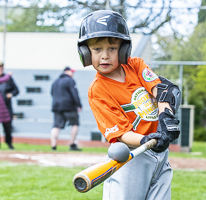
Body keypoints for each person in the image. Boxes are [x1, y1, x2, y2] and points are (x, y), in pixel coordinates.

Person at [77, 10, 181, 200]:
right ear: (85, 53)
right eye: (97, 49)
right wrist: (146, 140)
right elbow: (121, 134)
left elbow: (161, 91)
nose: (105, 56)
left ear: (124, 49)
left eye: (112, 48)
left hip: (159, 151)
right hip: (132, 156)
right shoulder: (98, 90)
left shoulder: (135, 65)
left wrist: (165, 118)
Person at [50, 66, 82, 151]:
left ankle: (53, 145)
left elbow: (52, 93)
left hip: (57, 106)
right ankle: (72, 144)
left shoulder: (56, 81)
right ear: (67, 71)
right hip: (69, 106)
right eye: (72, 72)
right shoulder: (70, 80)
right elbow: (74, 93)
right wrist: (79, 105)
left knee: (56, 126)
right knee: (75, 124)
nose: (73, 73)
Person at [0, 62, 19, 150]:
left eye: (2, 67)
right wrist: (9, 75)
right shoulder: (6, 78)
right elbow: (2, 80)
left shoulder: (9, 79)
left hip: (6, 107)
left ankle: (9, 143)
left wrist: (11, 94)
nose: (1, 69)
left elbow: (16, 90)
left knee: (8, 127)